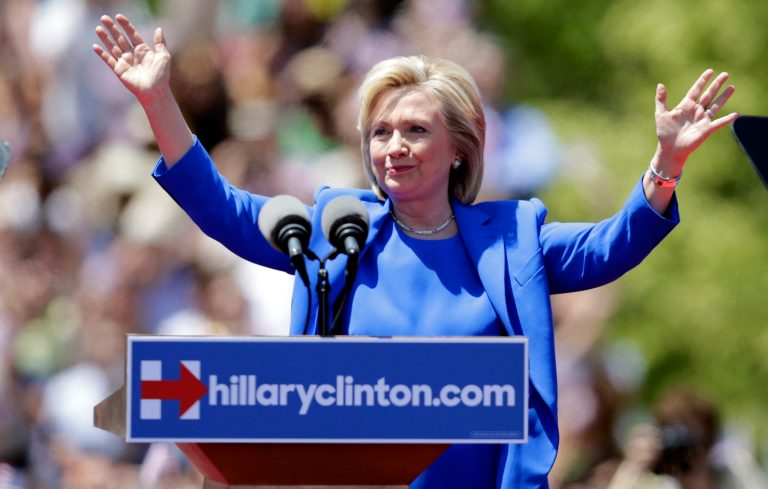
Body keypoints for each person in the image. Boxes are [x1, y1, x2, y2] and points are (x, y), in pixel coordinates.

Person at [92, 13, 738, 489]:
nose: (393, 145)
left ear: (460, 146)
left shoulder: (512, 239)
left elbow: (609, 246)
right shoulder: (336, 232)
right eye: (380, 132)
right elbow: (226, 211)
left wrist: (666, 164)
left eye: (414, 130)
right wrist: (159, 103)